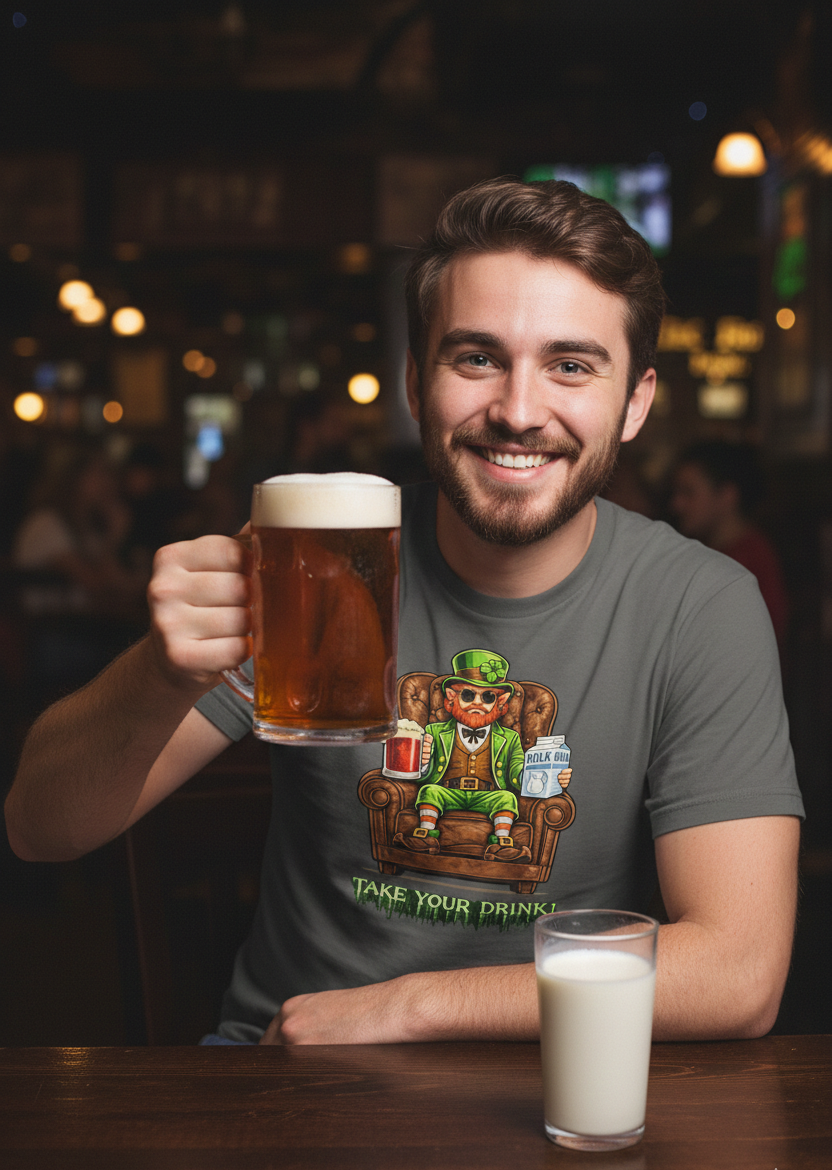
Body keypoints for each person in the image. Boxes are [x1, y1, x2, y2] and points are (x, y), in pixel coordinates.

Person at [5, 178, 802, 1048]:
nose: (519, 411)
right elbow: (39, 828)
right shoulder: (320, 561)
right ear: (416, 384)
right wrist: (161, 674)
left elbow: (739, 973)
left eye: (570, 365)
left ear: (636, 402)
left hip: (562, 1086)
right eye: (476, 359)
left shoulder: (698, 604)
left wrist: (411, 1005)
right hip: (294, 1079)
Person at [670, 440, 789, 646]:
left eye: (689, 492)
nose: (677, 504)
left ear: (727, 496)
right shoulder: (706, 552)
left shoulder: (749, 559)